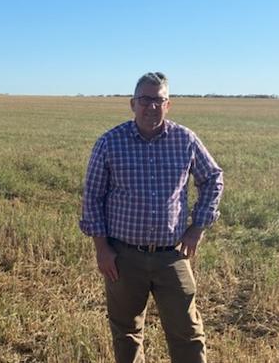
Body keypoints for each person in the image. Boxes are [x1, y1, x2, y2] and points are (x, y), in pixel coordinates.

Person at [80, 72, 224, 363]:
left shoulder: (185, 139)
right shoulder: (110, 143)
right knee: (126, 333)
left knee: (188, 332)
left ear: (168, 105)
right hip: (123, 257)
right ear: (132, 104)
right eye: (145, 100)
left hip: (172, 255)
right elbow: (92, 198)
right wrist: (102, 249)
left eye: (159, 100)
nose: (152, 107)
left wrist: (197, 229)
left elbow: (213, 179)